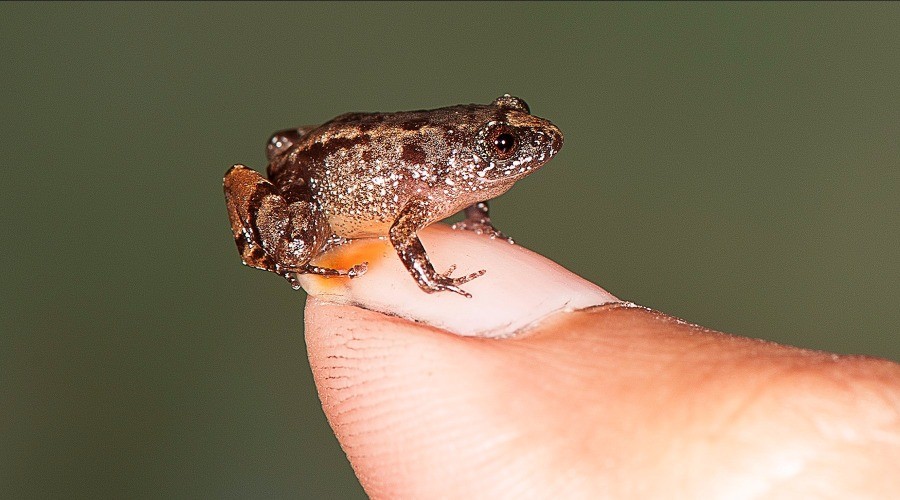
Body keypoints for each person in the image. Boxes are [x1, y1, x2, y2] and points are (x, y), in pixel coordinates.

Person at [302, 224, 900, 498]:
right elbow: (406, 231)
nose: (537, 145)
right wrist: (431, 284)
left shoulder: (457, 178)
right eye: (504, 145)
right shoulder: (426, 179)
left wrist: (478, 223)